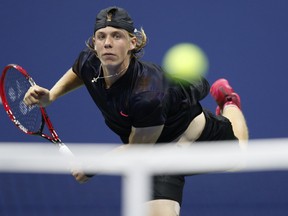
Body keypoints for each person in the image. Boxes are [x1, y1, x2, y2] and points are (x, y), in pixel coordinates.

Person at [23, 6, 248, 216]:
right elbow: (79, 71)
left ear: (132, 42)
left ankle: (229, 101)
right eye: (101, 37)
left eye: (117, 36)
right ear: (94, 42)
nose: (108, 43)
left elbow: (138, 149)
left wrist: (92, 166)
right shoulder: (89, 62)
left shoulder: (147, 95)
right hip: (154, 156)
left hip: (188, 134)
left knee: (240, 156)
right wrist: (51, 95)